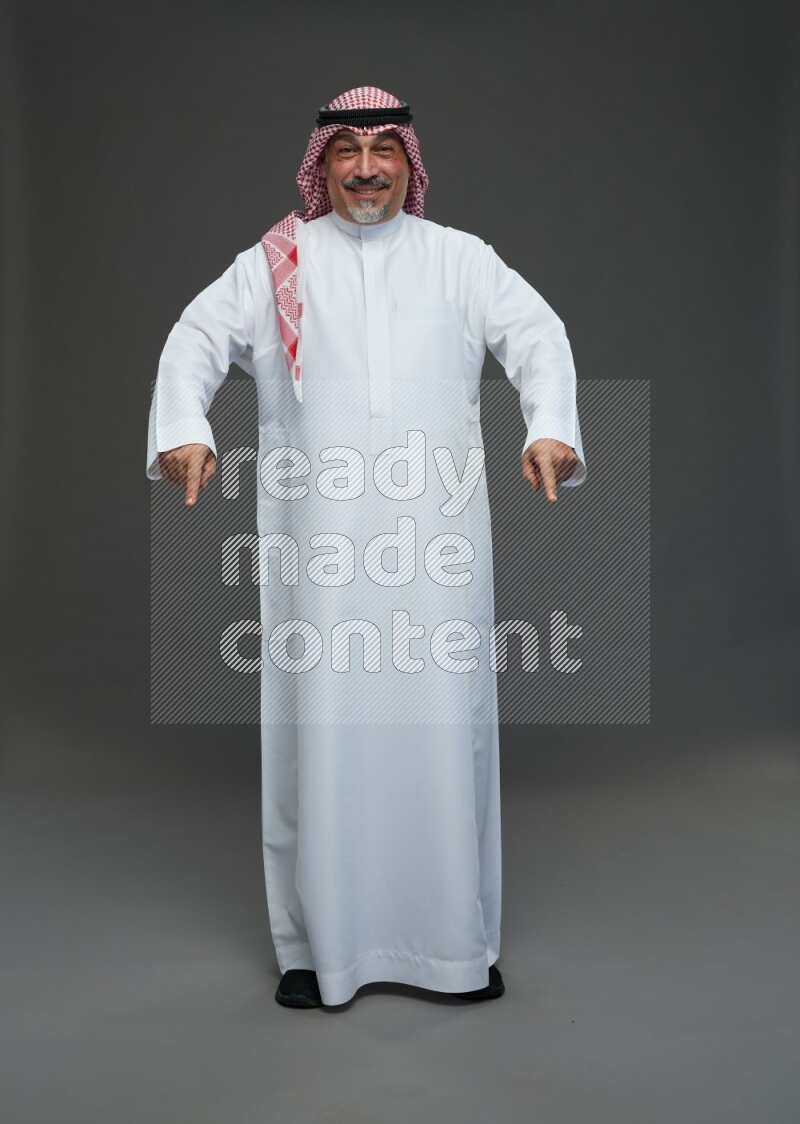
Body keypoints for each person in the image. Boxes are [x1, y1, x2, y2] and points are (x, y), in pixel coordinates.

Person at [146, 85, 587, 1009]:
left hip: (437, 550)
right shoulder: (278, 265)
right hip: (322, 555)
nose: (366, 168)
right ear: (322, 164)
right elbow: (195, 340)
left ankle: (455, 949)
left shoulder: (462, 262)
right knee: (321, 734)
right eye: (346, 150)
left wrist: (549, 425)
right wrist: (186, 424)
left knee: (444, 732)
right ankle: (320, 954)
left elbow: (537, 337)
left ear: (409, 162)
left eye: (384, 148)